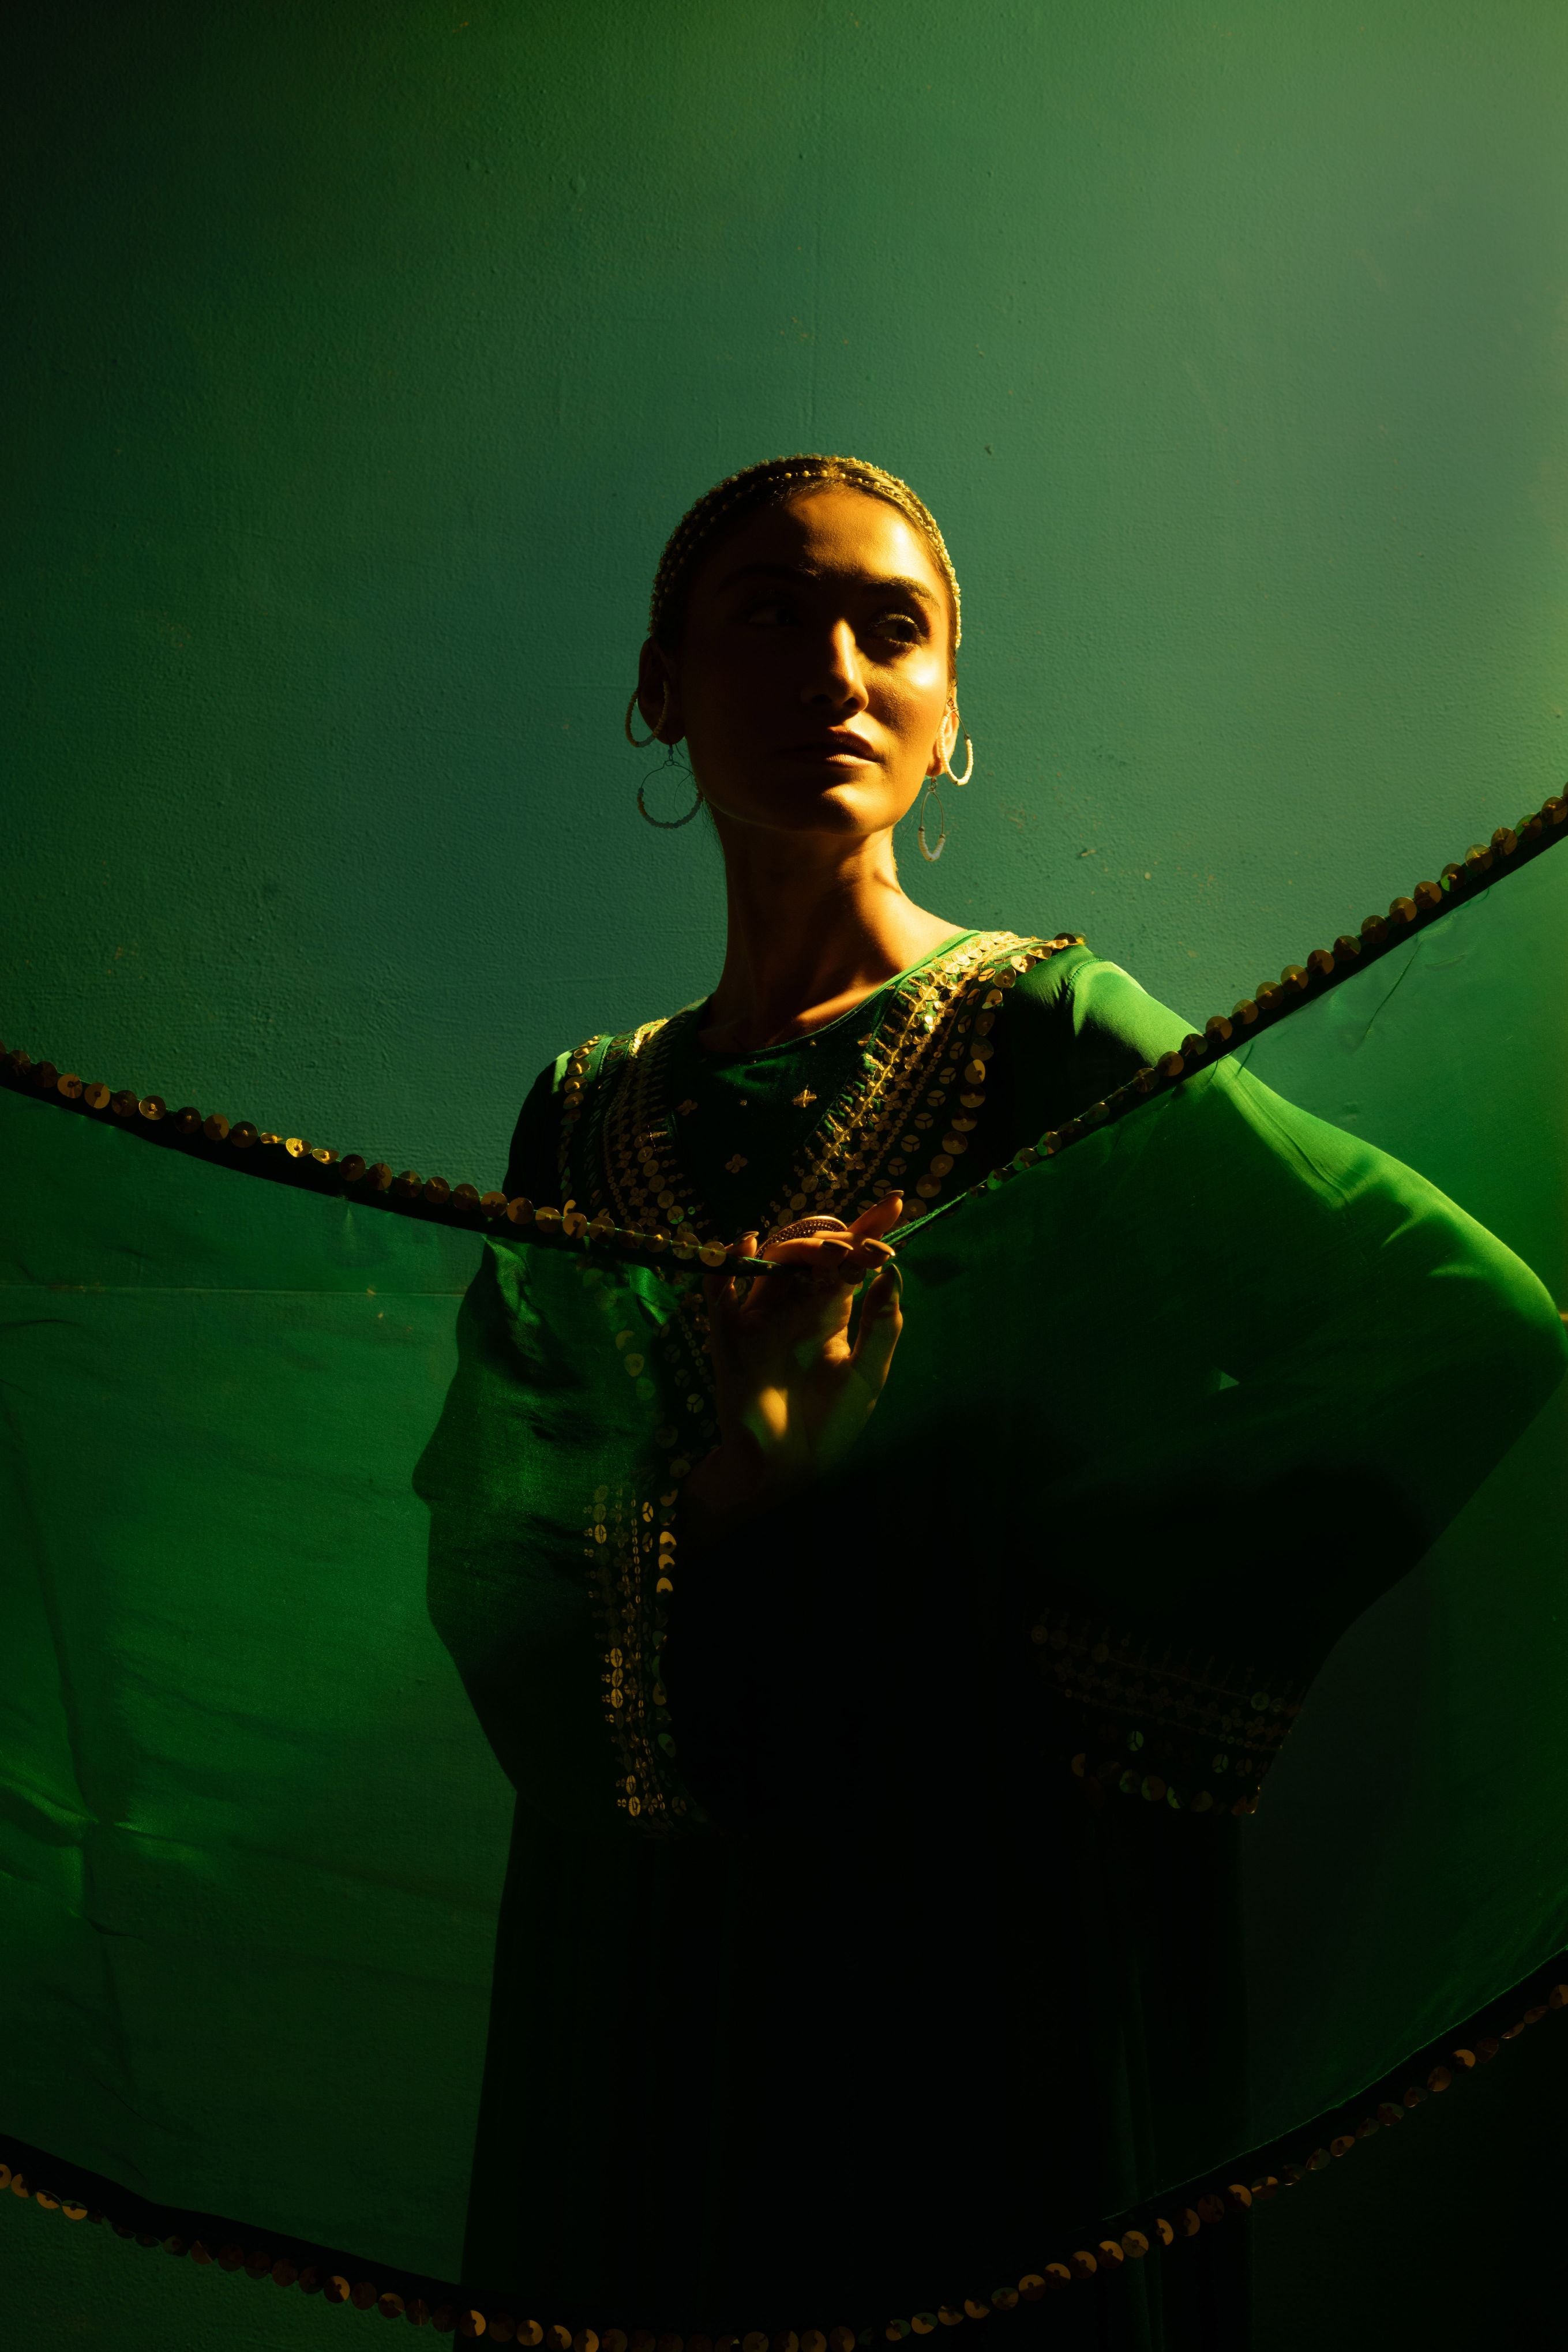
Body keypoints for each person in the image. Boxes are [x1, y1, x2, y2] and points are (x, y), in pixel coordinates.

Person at [416, 455, 1566, 2350]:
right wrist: (735, 1494)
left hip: (974, 1913)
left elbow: (1468, 1330)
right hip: (656, 1935)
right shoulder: (582, 1113)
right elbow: (494, 1545)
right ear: (660, 691)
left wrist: (1013, 1602)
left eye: (895, 630)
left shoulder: (1052, 1038)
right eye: (773, 616)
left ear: (950, 714)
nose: (837, 672)